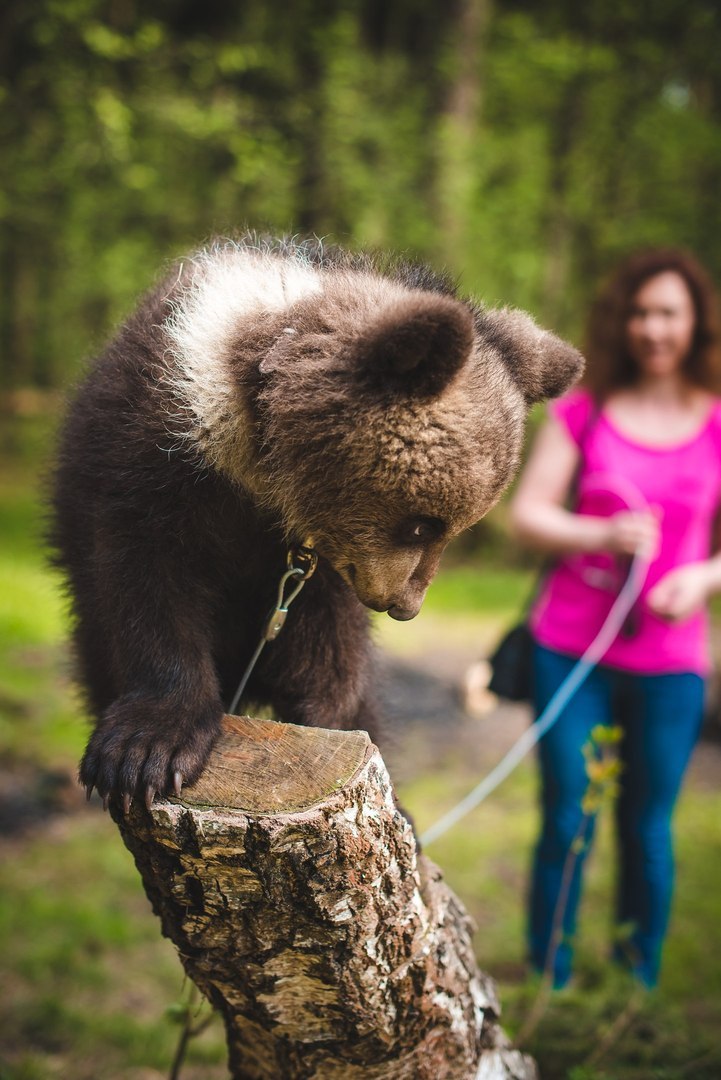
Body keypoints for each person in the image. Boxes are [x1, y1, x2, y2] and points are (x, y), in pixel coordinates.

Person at [510, 248, 721, 989]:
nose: (650, 327)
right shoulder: (583, 411)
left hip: (670, 663)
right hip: (570, 649)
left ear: (693, 321)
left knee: (647, 828)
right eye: (638, 312)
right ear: (619, 321)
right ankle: (550, 979)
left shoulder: (718, 420)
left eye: (666, 311)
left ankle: (635, 985)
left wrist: (701, 575)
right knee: (568, 819)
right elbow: (526, 516)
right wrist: (598, 533)